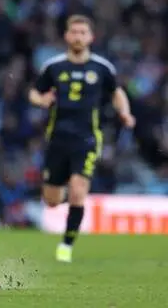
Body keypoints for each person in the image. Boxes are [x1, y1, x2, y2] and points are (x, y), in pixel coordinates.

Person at [29, 15, 135, 263]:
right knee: (52, 201)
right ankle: (61, 188)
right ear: (66, 36)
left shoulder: (102, 68)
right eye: (74, 32)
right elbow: (35, 91)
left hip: (86, 139)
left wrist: (125, 113)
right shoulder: (53, 66)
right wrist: (41, 100)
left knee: (78, 191)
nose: (78, 36)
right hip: (57, 138)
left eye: (82, 32)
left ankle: (66, 244)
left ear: (91, 37)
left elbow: (116, 92)